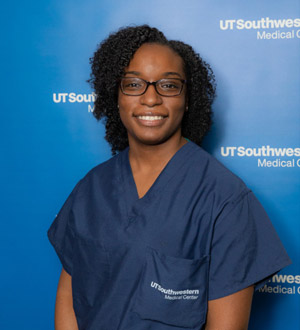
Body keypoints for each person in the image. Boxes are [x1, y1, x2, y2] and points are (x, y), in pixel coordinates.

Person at [48, 25, 291, 330]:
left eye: (168, 85)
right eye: (134, 84)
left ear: (187, 99)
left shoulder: (224, 198)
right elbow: (70, 294)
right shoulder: (91, 189)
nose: (151, 99)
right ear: (116, 96)